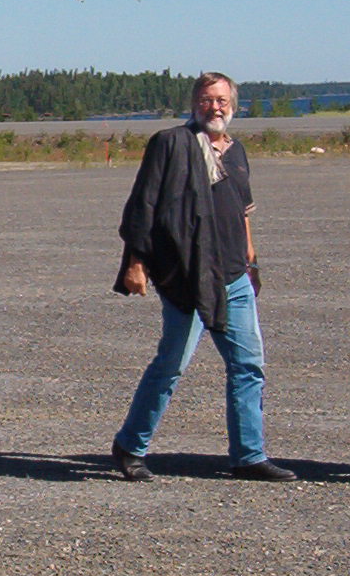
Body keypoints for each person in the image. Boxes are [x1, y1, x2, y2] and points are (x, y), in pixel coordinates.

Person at [109, 72, 296, 482]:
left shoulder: (236, 151)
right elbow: (143, 207)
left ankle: (249, 456)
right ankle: (130, 445)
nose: (216, 107)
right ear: (195, 103)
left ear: (234, 105)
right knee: (172, 364)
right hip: (189, 276)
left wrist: (253, 264)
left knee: (248, 365)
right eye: (208, 99)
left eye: (223, 100)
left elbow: (243, 213)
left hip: (235, 276)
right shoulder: (171, 143)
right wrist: (136, 264)